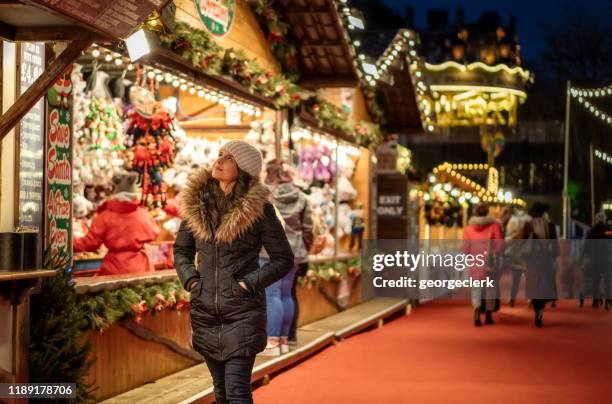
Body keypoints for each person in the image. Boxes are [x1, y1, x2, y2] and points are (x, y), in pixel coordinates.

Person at [174, 140, 294, 404]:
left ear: (243, 169)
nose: (219, 161)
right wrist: (192, 281)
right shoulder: (198, 206)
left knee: (237, 391)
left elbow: (283, 259)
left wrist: (248, 284)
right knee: (220, 392)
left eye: (228, 158)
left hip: (243, 312)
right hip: (205, 312)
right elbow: (181, 251)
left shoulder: (259, 210)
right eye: (220, 155)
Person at [260, 160, 314, 355]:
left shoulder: (264, 195)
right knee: (286, 294)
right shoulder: (301, 197)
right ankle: (284, 340)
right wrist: (303, 248)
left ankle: (272, 342)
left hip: (270, 252)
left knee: (272, 294)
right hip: (295, 251)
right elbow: (308, 228)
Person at [73, 171, 160, 275]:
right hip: (142, 268)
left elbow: (90, 243)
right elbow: (155, 232)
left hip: (114, 269)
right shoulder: (144, 215)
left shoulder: (104, 217)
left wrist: (67, 244)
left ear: (116, 194)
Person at [520, 202, 560, 327]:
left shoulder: (528, 225)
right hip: (546, 260)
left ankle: (536, 310)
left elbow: (522, 242)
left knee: (534, 287)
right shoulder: (550, 225)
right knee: (544, 287)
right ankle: (541, 311)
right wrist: (554, 256)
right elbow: (555, 244)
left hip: (532, 261)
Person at [463, 203, 504, 326]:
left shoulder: (469, 229)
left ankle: (476, 312)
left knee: (476, 289)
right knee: (490, 289)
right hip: (489, 262)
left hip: (476, 263)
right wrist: (496, 254)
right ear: (487, 213)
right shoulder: (494, 226)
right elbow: (500, 245)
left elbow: (465, 248)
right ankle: (488, 315)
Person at [584, 212, 611, 310]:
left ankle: (595, 301)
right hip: (607, 259)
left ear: (596, 219)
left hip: (595, 259)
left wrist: (587, 256)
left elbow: (587, 245)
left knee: (596, 281)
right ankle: (608, 301)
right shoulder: (608, 230)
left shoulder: (592, 230)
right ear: (604, 219)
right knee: (608, 281)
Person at [505, 207, 531, 307]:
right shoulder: (529, 220)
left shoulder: (512, 220)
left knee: (515, 279)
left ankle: (512, 298)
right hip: (527, 254)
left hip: (516, 253)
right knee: (529, 279)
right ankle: (530, 299)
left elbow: (508, 237)